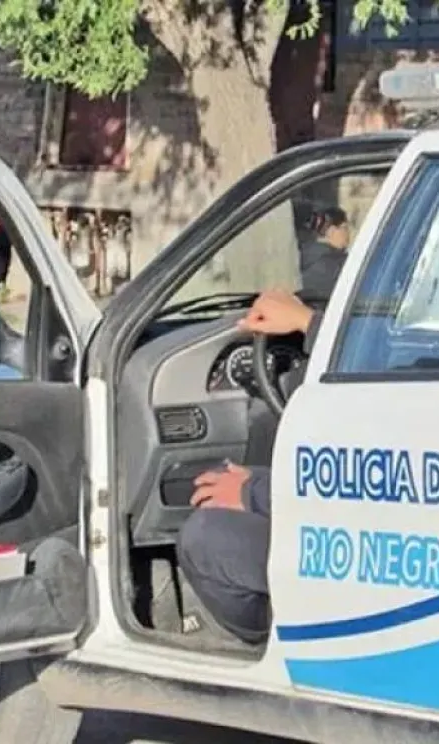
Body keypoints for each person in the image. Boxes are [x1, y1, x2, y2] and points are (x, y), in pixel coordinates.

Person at [177, 290, 318, 644]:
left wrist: (309, 323)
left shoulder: (399, 357)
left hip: (353, 553)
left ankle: (262, 646)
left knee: (204, 538)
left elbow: (354, 495)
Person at [299, 206, 351, 300]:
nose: (348, 233)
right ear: (330, 231)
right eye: (344, 228)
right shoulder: (340, 264)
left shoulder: (298, 258)